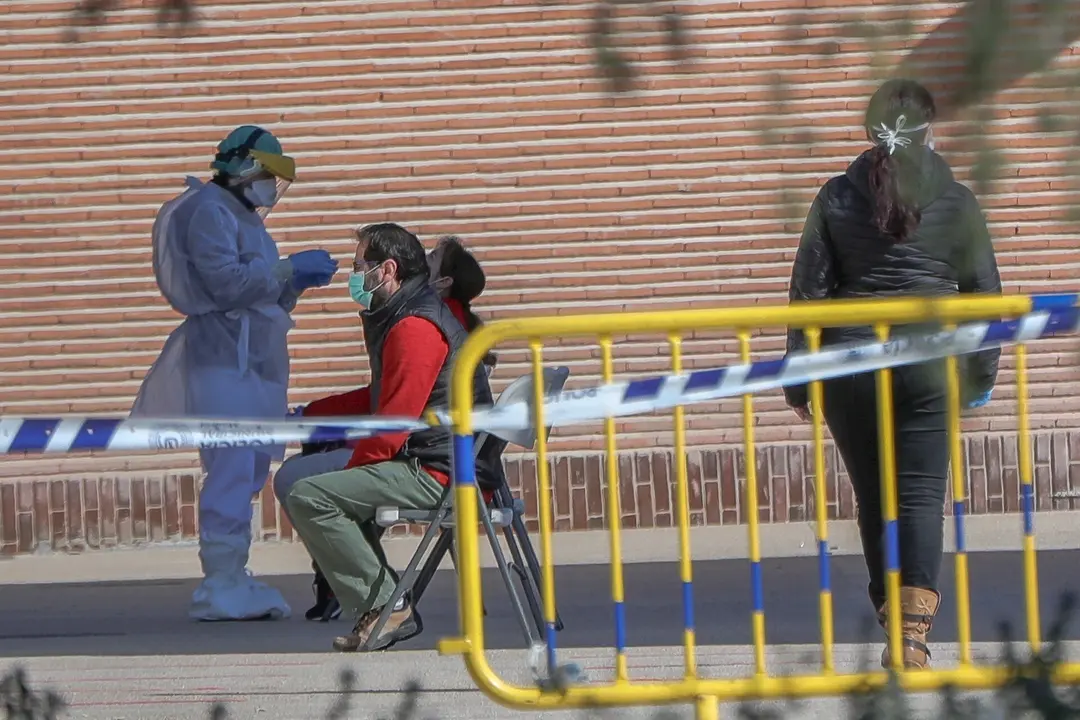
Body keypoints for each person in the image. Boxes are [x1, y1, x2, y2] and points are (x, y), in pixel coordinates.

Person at [782, 79, 1001, 669]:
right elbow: (984, 297)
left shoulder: (834, 196)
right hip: (930, 365)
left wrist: (799, 380)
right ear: (931, 129)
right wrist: (979, 379)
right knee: (922, 496)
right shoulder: (956, 200)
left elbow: (809, 295)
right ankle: (912, 637)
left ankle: (891, 621)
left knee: (876, 497)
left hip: (850, 367)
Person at [130, 125, 339, 622]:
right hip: (224, 361)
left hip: (252, 361)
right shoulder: (209, 212)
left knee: (248, 469)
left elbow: (261, 290)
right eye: (268, 175)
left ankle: (233, 571)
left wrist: (296, 283)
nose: (272, 188)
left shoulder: (244, 219)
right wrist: (288, 270)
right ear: (245, 170)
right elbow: (226, 285)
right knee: (229, 466)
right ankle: (219, 580)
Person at [280, 223, 503, 651]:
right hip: (441, 461)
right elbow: (383, 396)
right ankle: (381, 603)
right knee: (315, 485)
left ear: (387, 269)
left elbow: (392, 423)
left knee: (309, 495)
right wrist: (313, 415)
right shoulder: (407, 312)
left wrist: (349, 468)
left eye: (358, 265)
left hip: (437, 471)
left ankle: (387, 605)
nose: (352, 276)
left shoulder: (414, 325)